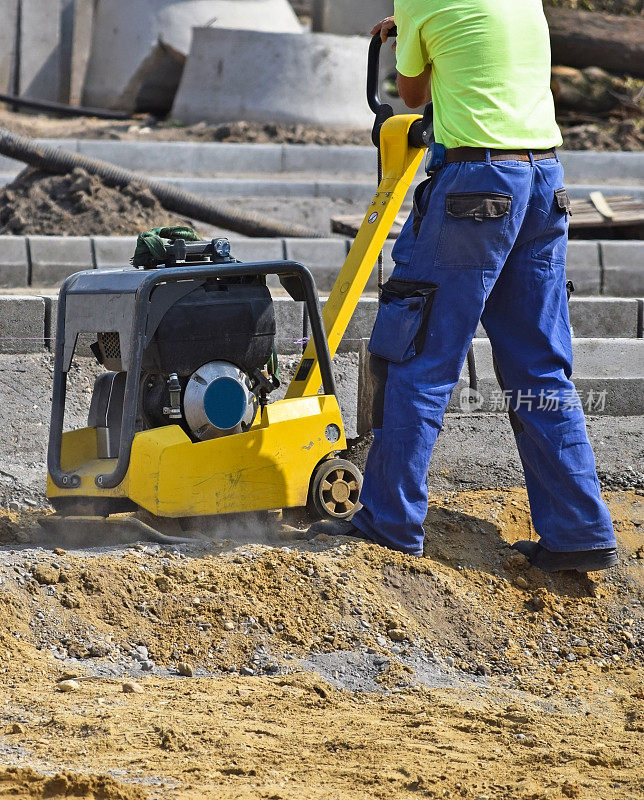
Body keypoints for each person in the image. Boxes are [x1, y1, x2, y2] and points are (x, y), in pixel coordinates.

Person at [315, 0, 618, 573]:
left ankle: (387, 523)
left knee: (417, 356)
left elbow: (411, 97)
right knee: (540, 366)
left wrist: (411, 37)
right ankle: (578, 532)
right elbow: (481, 49)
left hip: (475, 189)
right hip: (544, 182)